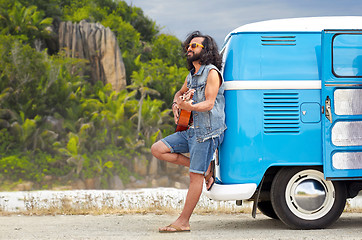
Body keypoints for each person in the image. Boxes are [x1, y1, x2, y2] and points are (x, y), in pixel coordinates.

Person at [151, 31, 226, 233]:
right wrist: (177, 104)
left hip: (207, 132)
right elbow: (179, 93)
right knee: (158, 149)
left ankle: (183, 222)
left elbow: (209, 104)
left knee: (194, 178)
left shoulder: (211, 73)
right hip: (191, 130)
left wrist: (189, 107)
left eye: (194, 46)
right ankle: (205, 169)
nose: (189, 49)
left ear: (206, 50)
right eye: (188, 46)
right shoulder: (191, 75)